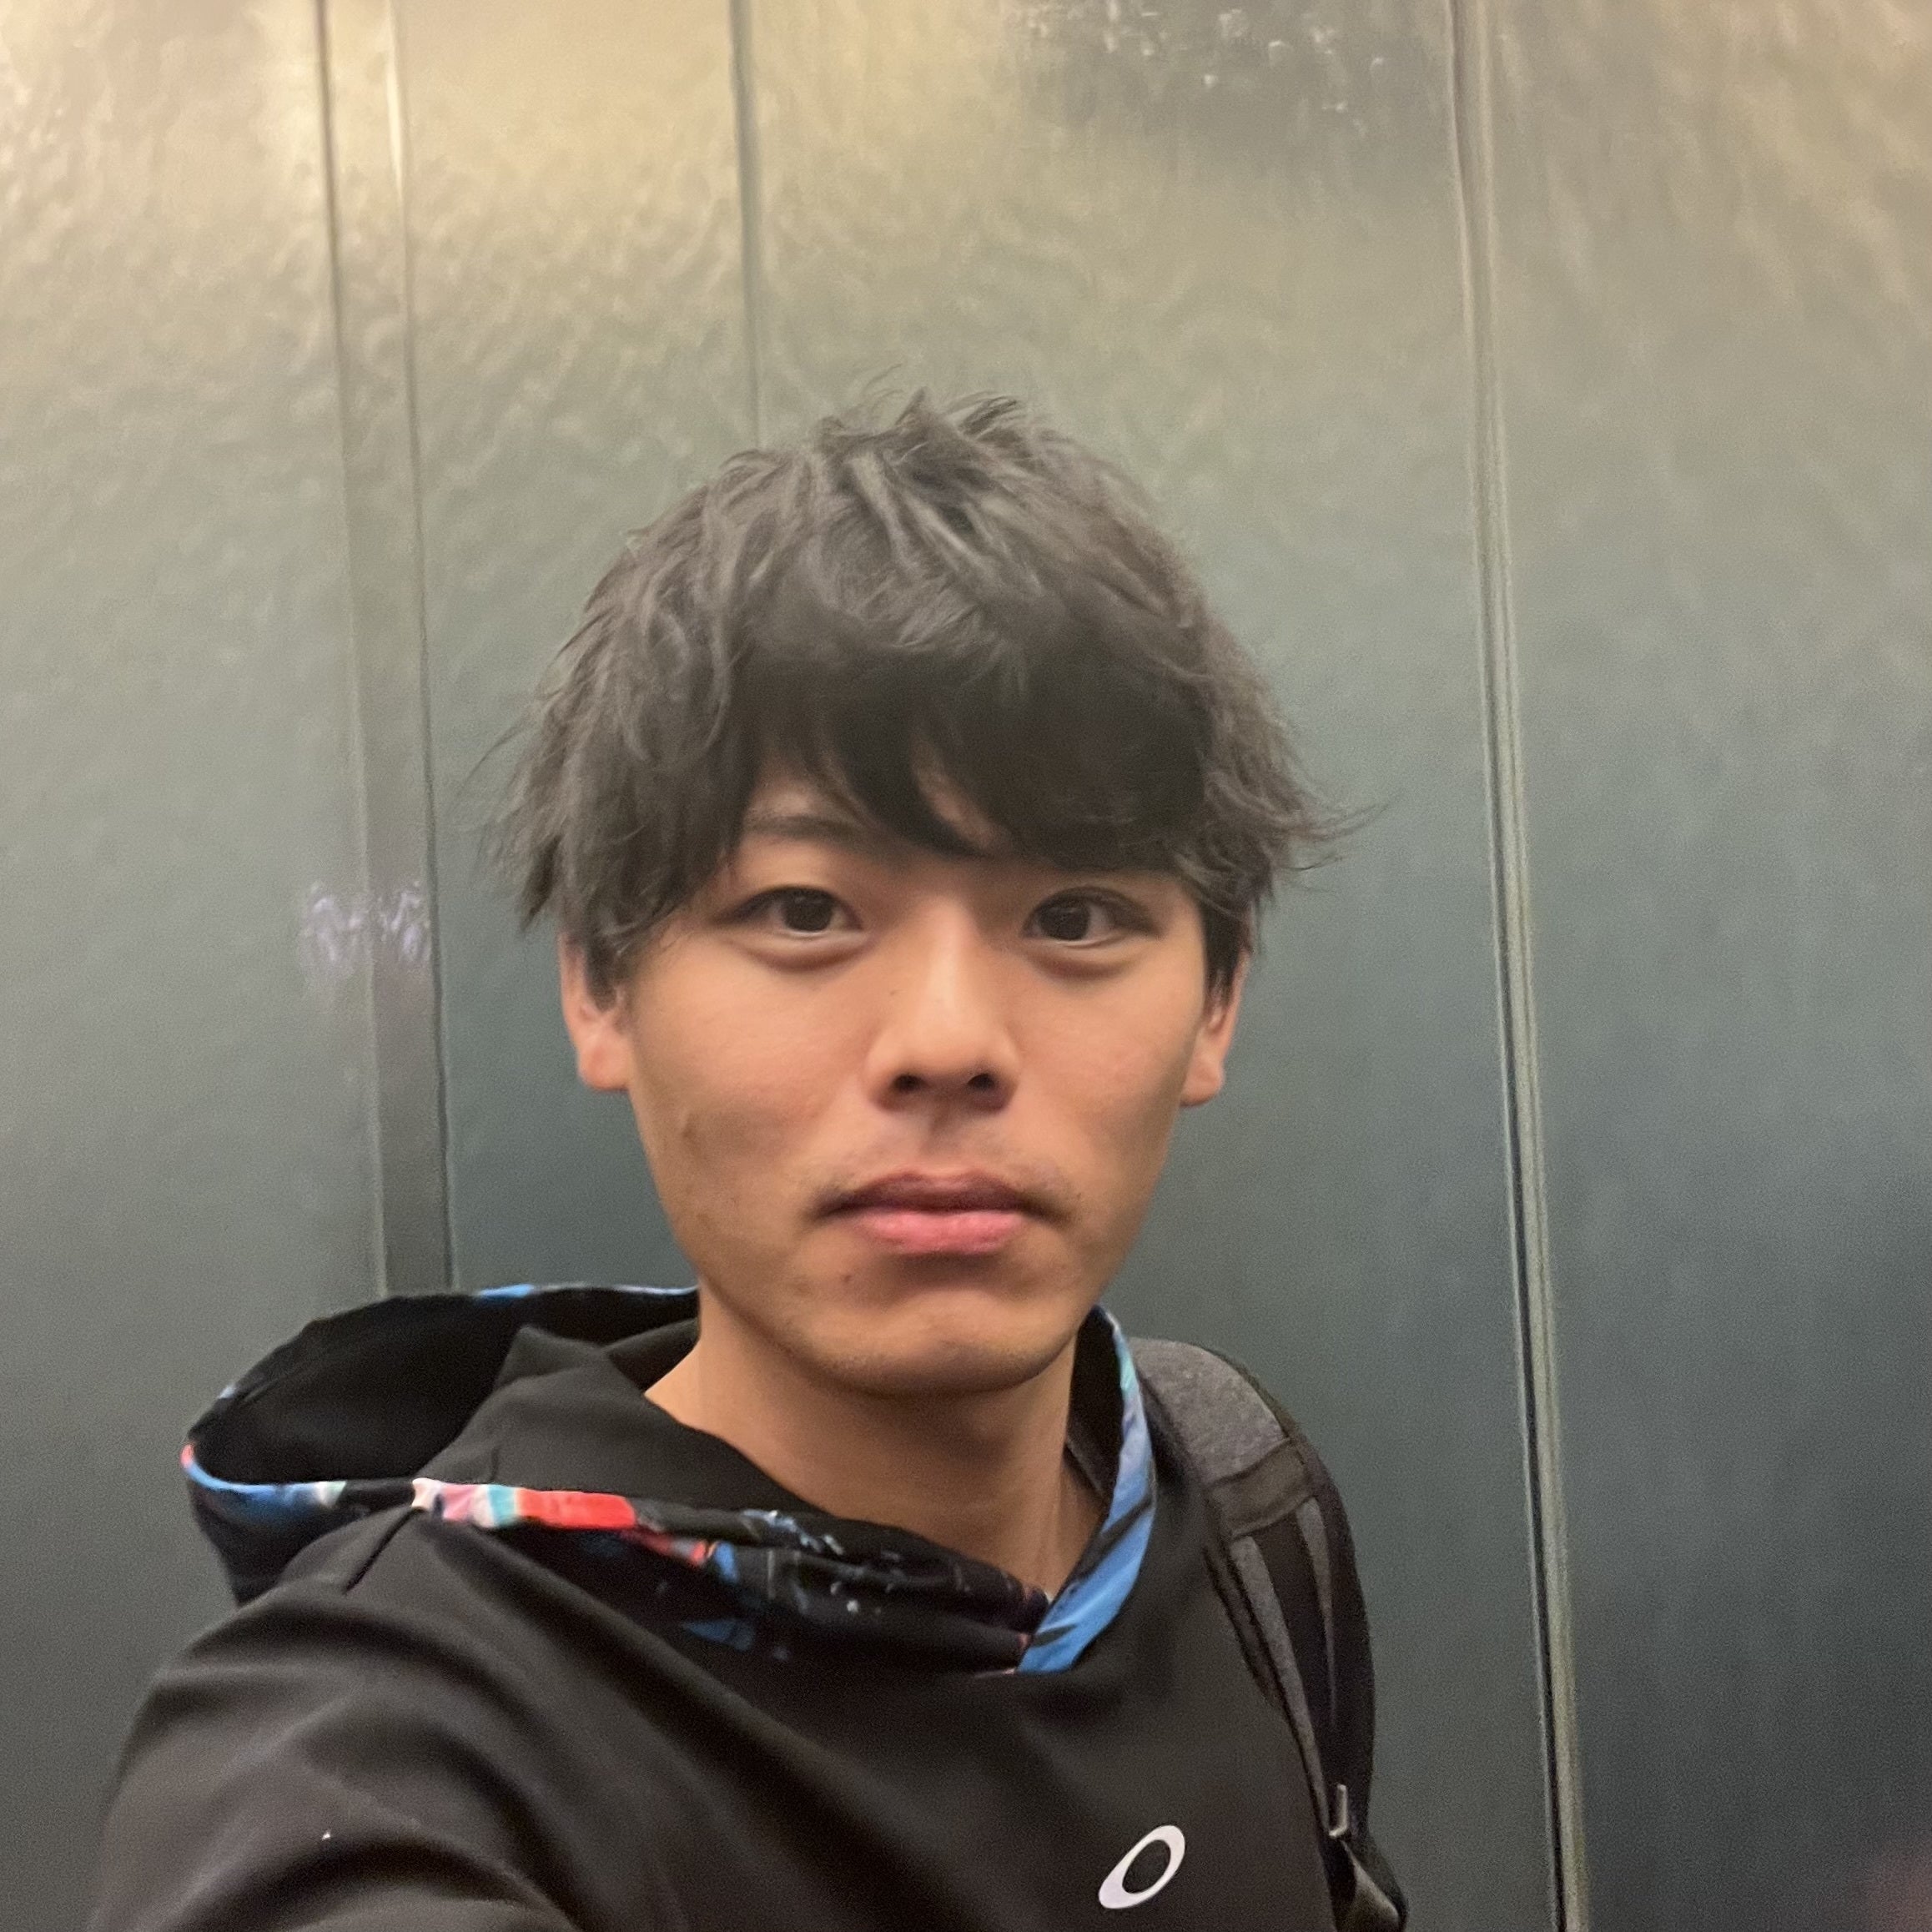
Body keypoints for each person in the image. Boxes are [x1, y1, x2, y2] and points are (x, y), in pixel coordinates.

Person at [88, 395, 1402, 1930]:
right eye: (804, 910)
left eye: (1075, 917)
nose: (947, 1042)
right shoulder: (378, 1746)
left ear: (1216, 1002)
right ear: (602, 985)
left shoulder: (1234, 1502)